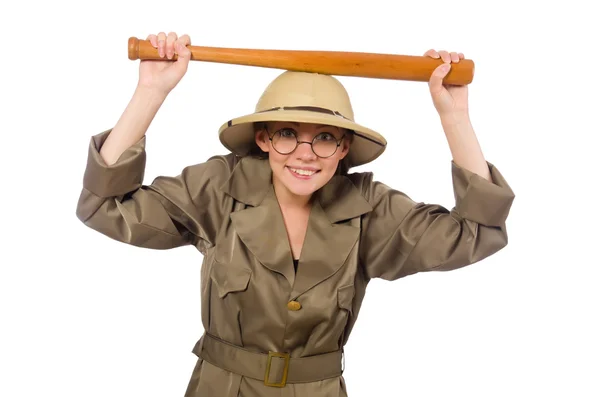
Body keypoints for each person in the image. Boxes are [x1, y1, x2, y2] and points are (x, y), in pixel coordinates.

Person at [76, 32, 515, 397]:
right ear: (263, 139)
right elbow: (106, 206)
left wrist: (454, 115)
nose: (305, 155)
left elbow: (478, 230)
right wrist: (150, 91)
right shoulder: (218, 188)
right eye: (287, 134)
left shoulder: (370, 209)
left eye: (325, 138)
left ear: (344, 149)